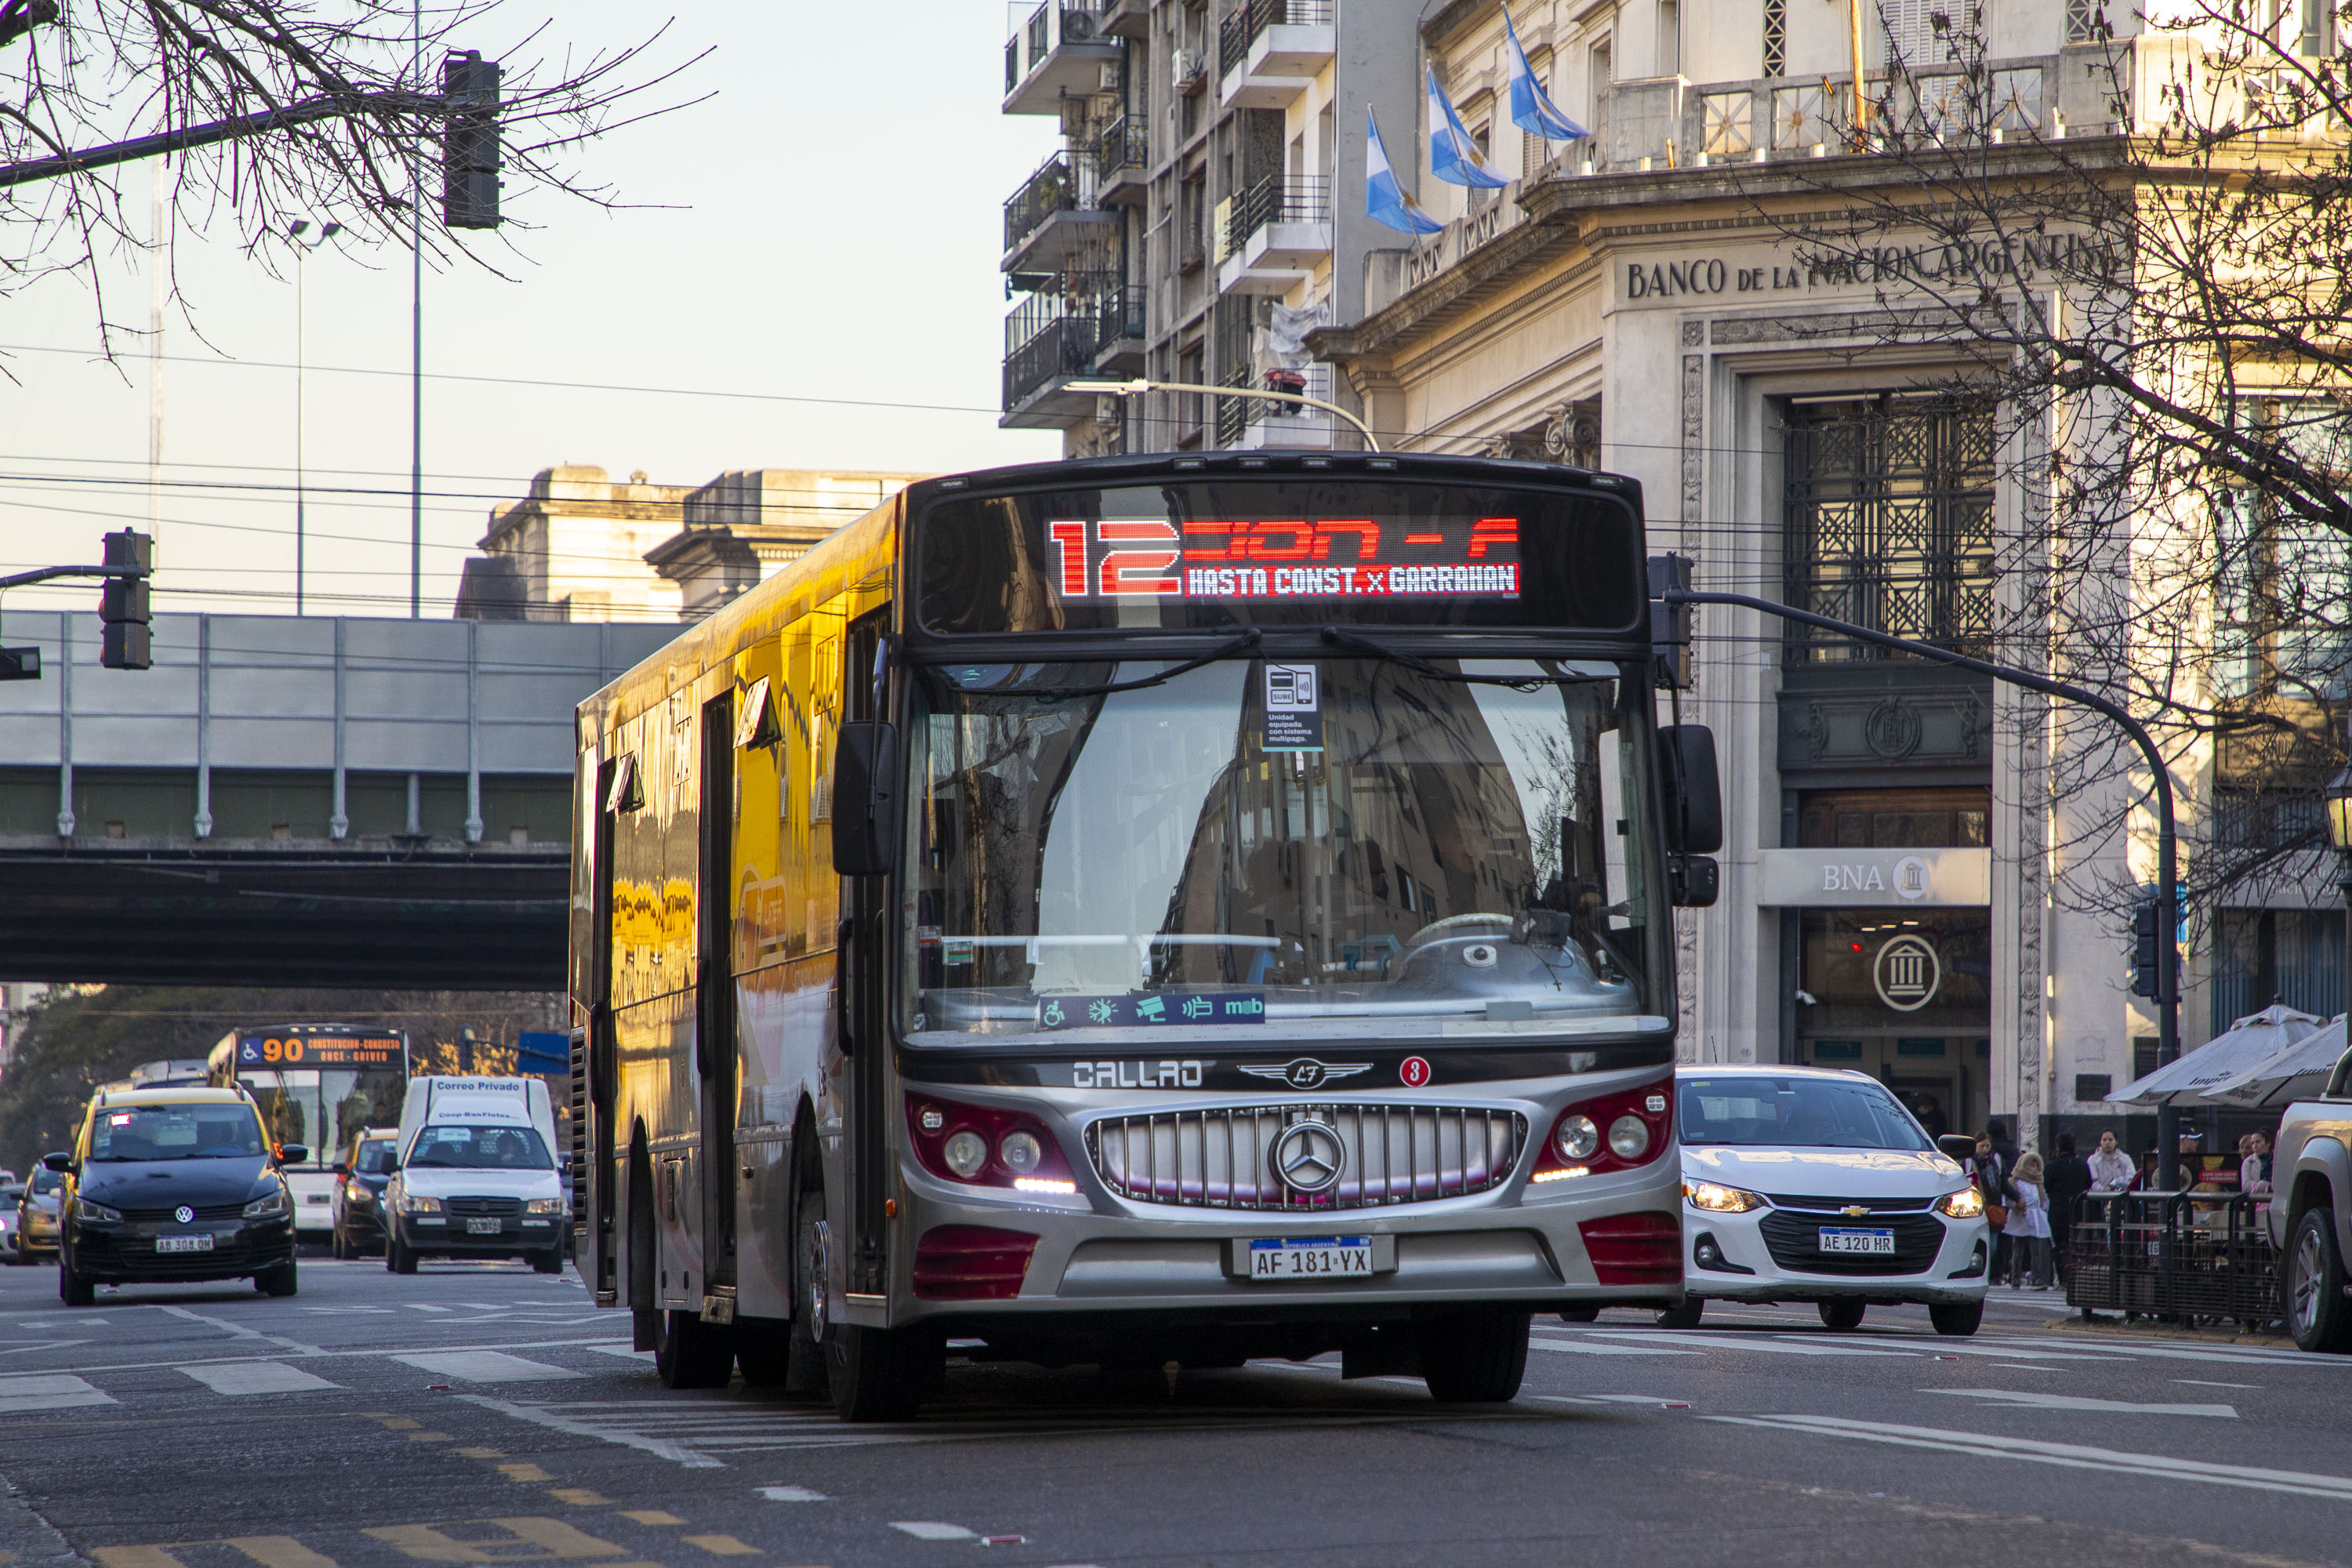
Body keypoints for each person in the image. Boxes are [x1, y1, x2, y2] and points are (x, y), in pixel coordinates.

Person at [2044, 1132, 2092, 1284]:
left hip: (2058, 1208)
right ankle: (2075, 1273)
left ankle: (2063, 1276)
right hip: (2078, 1208)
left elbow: (2047, 1186)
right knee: (2075, 1242)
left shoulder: (2052, 1166)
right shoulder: (2082, 1164)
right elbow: (2088, 1184)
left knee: (2059, 1243)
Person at [1968, 1131, 2011, 1282]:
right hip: (1975, 1207)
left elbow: (2002, 1183)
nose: (1985, 1149)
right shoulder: (1968, 1161)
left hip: (1994, 1206)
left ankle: (1988, 1271)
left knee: (1992, 1246)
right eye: (1982, 1146)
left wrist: (2016, 1197)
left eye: (1987, 1145)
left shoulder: (1995, 1160)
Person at [2007, 1152, 2054, 1289]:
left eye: (2036, 1166)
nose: (2034, 1169)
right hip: (2020, 1217)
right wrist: (2017, 1206)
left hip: (2036, 1219)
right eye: (2031, 1166)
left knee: (2036, 1251)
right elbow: (2010, 1200)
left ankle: (2037, 1278)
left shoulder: (2039, 1183)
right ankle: (2015, 1278)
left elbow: (2044, 1200)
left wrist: (2042, 1210)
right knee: (2018, 1251)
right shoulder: (2016, 1182)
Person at [2087, 1129, 2134, 1194]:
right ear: (2100, 1142)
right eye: (2104, 1140)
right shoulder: (2093, 1160)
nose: (2107, 1142)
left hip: (2121, 1197)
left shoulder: (2126, 1159)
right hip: (2099, 1197)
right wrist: (2104, 1190)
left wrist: (2118, 1185)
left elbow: (2131, 1179)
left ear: (2116, 1142)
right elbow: (2093, 1182)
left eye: (2110, 1140)